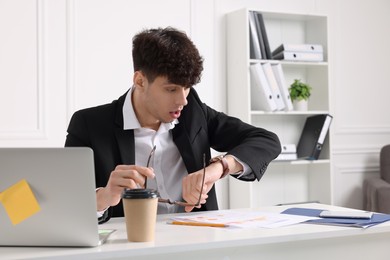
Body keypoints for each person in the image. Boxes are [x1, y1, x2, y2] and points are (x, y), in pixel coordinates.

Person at [65, 27, 281, 224]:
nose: (182, 100)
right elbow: (65, 205)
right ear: (140, 81)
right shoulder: (88, 124)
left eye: (187, 88)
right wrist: (103, 197)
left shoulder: (193, 112)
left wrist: (219, 168)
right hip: (126, 248)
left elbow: (266, 141)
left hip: (195, 244)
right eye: (171, 89)